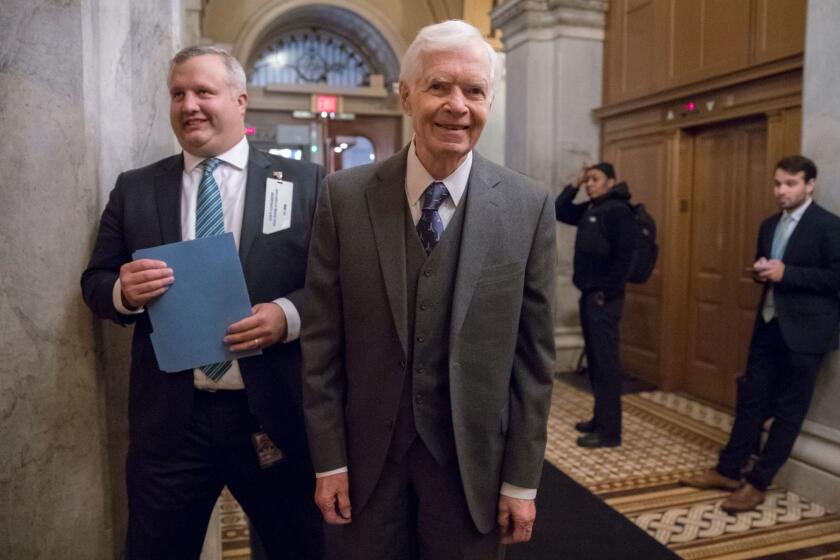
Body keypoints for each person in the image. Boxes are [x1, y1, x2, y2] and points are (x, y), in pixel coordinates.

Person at [301, 20, 556, 560]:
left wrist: (521, 481)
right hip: (366, 466)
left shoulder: (526, 206)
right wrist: (329, 461)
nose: (456, 105)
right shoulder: (343, 199)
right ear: (406, 94)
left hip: (473, 473)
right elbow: (321, 343)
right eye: (439, 86)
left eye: (474, 91)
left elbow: (534, 362)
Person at [81, 46, 324, 559]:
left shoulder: (305, 183)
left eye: (203, 92)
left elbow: (339, 288)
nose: (189, 104)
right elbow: (95, 282)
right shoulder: (136, 189)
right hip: (172, 425)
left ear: (240, 101)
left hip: (272, 420)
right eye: (178, 94)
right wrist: (123, 292)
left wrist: (288, 316)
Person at [680, 155, 840, 512]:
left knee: (788, 410)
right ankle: (728, 469)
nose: (781, 191)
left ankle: (758, 482)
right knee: (751, 400)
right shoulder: (769, 225)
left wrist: (788, 274)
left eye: (790, 184)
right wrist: (761, 272)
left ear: (809, 184)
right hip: (768, 326)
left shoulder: (829, 226)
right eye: (777, 183)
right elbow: (771, 268)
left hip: (807, 335)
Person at [555, 162, 637, 448]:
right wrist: (575, 181)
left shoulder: (618, 211)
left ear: (611, 182)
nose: (590, 184)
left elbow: (625, 258)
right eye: (588, 179)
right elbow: (559, 208)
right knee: (596, 364)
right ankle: (600, 419)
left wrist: (607, 291)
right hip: (590, 295)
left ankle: (610, 432)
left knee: (606, 365)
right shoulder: (593, 208)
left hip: (604, 298)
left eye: (595, 179)